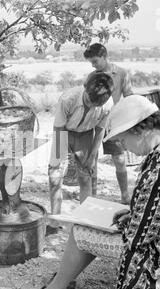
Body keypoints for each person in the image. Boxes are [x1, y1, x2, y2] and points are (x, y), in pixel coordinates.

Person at [29, 95, 160, 289]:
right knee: (93, 225)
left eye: (122, 139)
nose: (124, 146)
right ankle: (63, 281)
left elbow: (138, 238)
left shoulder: (158, 171)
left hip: (154, 253)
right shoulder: (159, 154)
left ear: (138, 130)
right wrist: (134, 212)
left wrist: (120, 223)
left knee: (81, 231)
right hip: (155, 240)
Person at [48, 72, 114, 215]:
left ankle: (85, 219)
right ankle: (55, 220)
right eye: (90, 101)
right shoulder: (68, 99)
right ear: (85, 87)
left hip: (86, 135)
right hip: (63, 133)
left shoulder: (108, 105)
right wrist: (59, 159)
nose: (91, 106)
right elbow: (58, 128)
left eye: (96, 105)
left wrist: (91, 157)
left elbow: (100, 131)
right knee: (55, 177)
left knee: (85, 177)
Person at [84, 43, 134, 204]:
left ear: (105, 57)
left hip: (114, 122)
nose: (93, 65)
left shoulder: (121, 73)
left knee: (119, 159)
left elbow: (130, 97)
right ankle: (92, 195)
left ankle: (125, 195)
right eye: (91, 62)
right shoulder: (91, 76)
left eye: (95, 61)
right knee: (92, 158)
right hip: (95, 121)